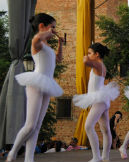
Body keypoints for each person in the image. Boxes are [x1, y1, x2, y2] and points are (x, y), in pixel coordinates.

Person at [6, 13, 64, 162]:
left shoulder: (47, 46)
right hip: (36, 82)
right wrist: (47, 33)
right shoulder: (37, 42)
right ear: (41, 27)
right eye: (52, 27)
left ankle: (29, 159)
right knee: (30, 124)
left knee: (37, 125)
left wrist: (60, 44)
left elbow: (58, 59)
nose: (54, 30)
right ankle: (13, 152)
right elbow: (37, 38)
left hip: (47, 83)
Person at [73, 43, 119, 162]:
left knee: (88, 126)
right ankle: (105, 156)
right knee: (105, 129)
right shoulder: (100, 65)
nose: (87, 55)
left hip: (99, 100)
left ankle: (96, 156)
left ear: (97, 54)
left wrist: (86, 57)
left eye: (90, 53)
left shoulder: (97, 64)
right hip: (102, 99)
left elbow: (84, 62)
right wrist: (89, 55)